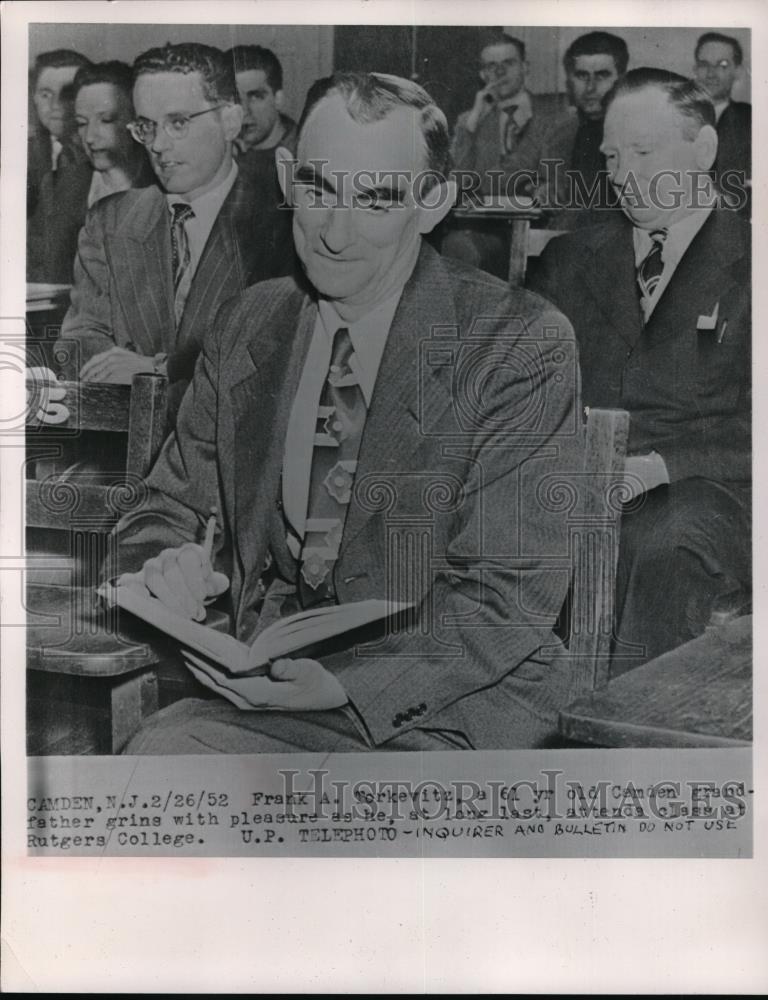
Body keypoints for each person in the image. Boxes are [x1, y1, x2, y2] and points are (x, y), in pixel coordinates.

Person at [109, 71, 583, 755]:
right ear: (283, 177)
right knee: (153, 769)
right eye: (317, 189)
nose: (335, 231)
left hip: (451, 705)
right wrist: (162, 565)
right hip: (265, 690)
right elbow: (165, 505)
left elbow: (506, 597)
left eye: (377, 198)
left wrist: (344, 686)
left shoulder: (515, 343)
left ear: (433, 201)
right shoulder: (249, 323)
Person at [528, 68, 751, 669]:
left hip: (709, 488)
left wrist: (658, 466)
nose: (623, 177)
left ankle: (627, 743)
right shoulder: (568, 259)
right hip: (580, 474)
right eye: (611, 157)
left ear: (702, 150)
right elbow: (527, 393)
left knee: (655, 544)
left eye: (644, 153)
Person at [57, 42, 294, 415]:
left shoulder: (280, 222)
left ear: (230, 121)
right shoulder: (111, 220)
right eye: (147, 126)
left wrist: (157, 370)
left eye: (179, 123)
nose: (159, 145)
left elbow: (271, 355)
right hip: (126, 443)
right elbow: (81, 340)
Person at [27, 61, 157, 283]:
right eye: (81, 123)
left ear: (138, 119)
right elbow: (35, 271)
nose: (89, 137)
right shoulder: (57, 186)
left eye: (106, 120)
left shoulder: (166, 184)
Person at [443, 32, 556, 275]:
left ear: (525, 68)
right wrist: (471, 126)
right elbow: (458, 183)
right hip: (484, 231)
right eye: (491, 66)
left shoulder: (552, 116)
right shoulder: (469, 121)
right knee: (459, 248)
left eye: (508, 63)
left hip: (536, 228)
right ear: (483, 75)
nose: (500, 72)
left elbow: (553, 183)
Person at [537, 31, 628, 229]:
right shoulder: (559, 131)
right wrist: (543, 190)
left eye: (602, 76)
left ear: (621, 79)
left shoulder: (641, 130)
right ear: (569, 81)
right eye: (582, 75)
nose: (590, 88)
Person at [27, 49, 91, 218]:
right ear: (34, 98)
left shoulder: (107, 153)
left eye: (68, 94)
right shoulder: (21, 154)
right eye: (46, 94)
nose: (56, 105)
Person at [693, 32, 751, 183]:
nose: (711, 74)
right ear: (695, 70)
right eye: (704, 65)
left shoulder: (750, 120)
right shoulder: (674, 116)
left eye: (722, 65)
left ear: (737, 72)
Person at [227, 44, 297, 155]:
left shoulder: (306, 154)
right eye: (234, 99)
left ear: (278, 99)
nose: (244, 111)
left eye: (255, 97)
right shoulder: (222, 151)